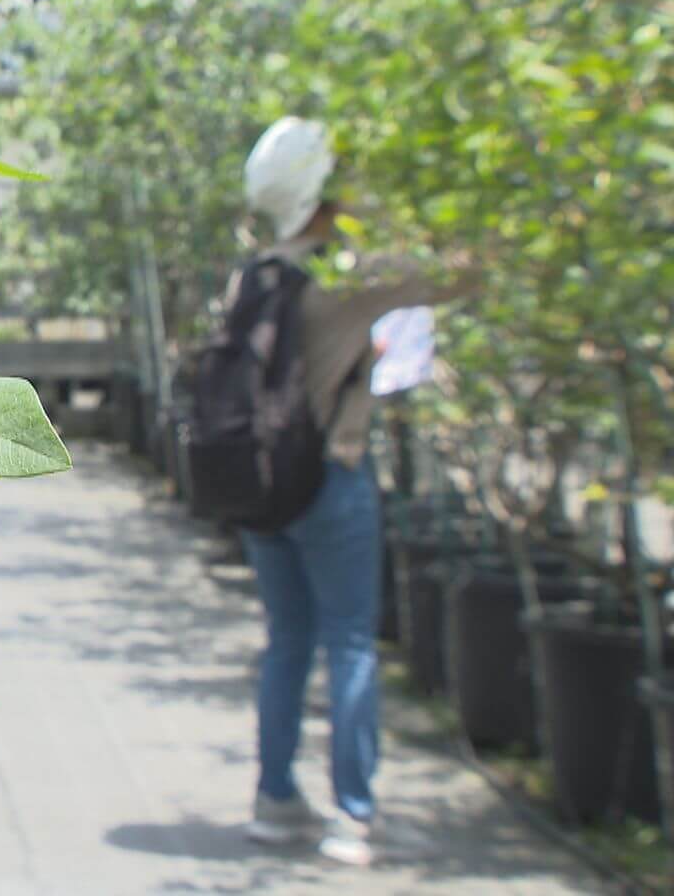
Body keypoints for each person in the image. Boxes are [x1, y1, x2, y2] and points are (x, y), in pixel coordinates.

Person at [235, 117, 477, 866]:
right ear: (323, 198)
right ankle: (353, 816)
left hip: (260, 486)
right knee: (349, 643)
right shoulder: (341, 278)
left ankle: (274, 800)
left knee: (287, 643)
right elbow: (461, 274)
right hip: (329, 482)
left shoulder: (252, 274)